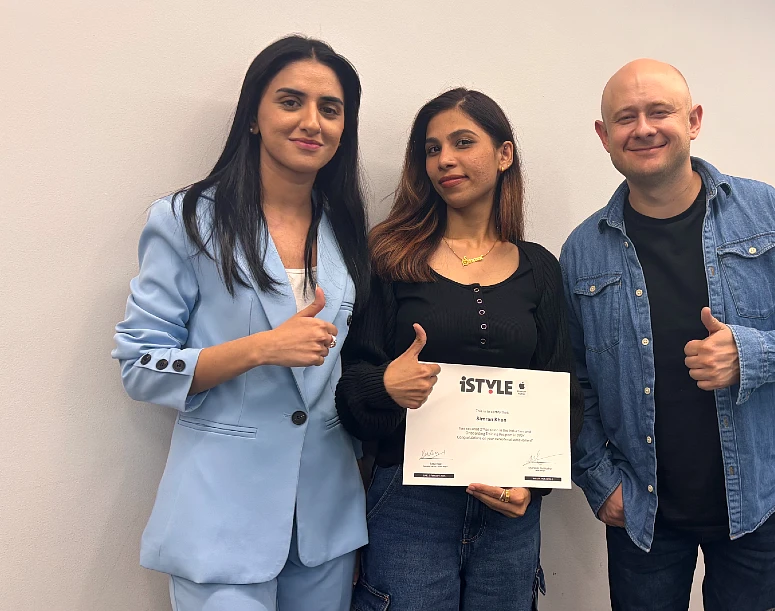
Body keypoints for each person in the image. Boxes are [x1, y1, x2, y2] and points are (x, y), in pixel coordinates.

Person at [561, 59, 775, 611]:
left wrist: (751, 354)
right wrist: (599, 482)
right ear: (604, 136)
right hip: (643, 514)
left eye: (659, 111)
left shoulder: (766, 212)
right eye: (625, 118)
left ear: (693, 120)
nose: (643, 128)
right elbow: (573, 385)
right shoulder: (582, 252)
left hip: (761, 503)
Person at [111, 35, 370, 611]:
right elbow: (139, 365)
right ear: (253, 113)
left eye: (330, 109)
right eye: (290, 101)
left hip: (323, 524)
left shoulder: (347, 229)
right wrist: (259, 348)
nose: (312, 122)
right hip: (219, 518)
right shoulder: (186, 220)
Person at [335, 87, 582, 611]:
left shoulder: (540, 268)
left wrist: (534, 489)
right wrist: (384, 385)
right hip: (409, 504)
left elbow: (567, 390)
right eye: (431, 148)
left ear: (504, 155)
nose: (444, 159)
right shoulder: (390, 258)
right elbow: (349, 384)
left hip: (510, 510)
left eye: (462, 142)